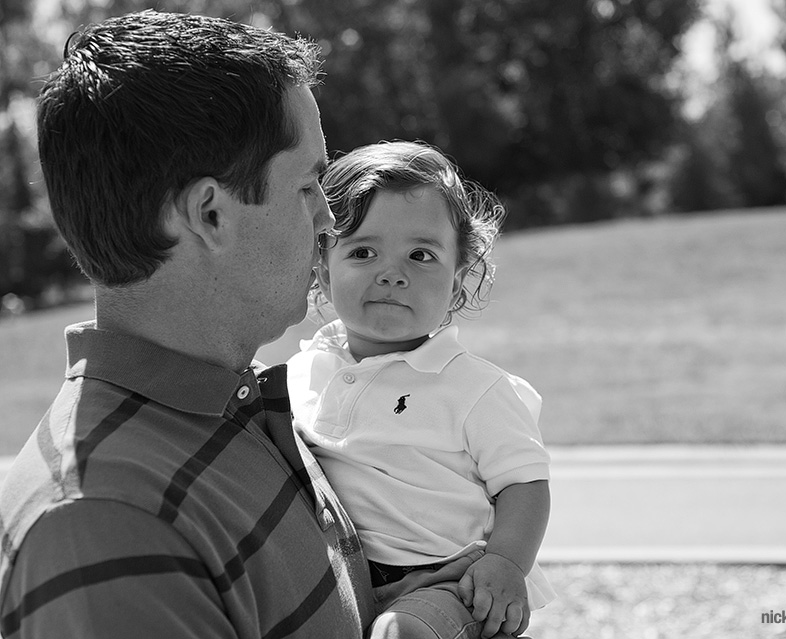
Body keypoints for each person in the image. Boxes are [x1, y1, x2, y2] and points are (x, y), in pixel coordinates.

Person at [0, 12, 475, 638]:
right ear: (210, 215)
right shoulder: (103, 525)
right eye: (308, 187)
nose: (331, 221)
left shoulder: (236, 396)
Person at [286, 141, 555, 639]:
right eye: (363, 252)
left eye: (421, 255)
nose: (392, 273)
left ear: (456, 285)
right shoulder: (301, 373)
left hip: (451, 579)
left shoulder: (473, 387)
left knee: (399, 634)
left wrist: (506, 563)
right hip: (342, 577)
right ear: (323, 269)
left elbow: (524, 483)